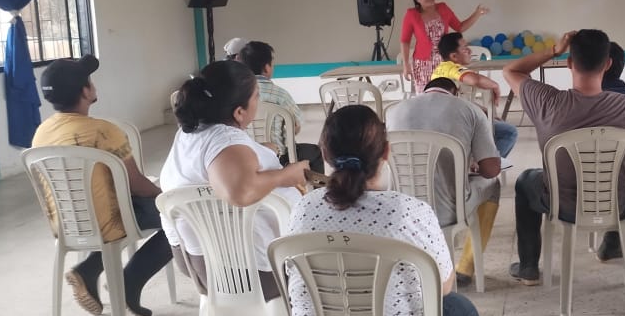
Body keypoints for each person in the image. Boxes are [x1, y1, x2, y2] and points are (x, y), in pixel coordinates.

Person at [502, 29, 625, 285]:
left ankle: (528, 267)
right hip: (617, 204)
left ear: (569, 63)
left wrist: (554, 50)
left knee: (526, 180)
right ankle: (613, 244)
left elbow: (511, 71)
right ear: (608, 64)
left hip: (563, 206)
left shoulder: (546, 101)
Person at [285, 105, 479, 316]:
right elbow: (443, 285)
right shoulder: (410, 212)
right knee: (459, 306)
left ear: (324, 153)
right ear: (386, 151)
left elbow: (292, 274)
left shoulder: (303, 208)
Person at [32, 55, 171, 316]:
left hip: (66, 223)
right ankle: (129, 281)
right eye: (90, 81)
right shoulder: (104, 131)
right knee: (180, 218)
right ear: (86, 92)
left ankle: (89, 269)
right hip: (108, 223)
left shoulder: (41, 133)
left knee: (139, 206)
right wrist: (166, 196)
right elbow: (137, 185)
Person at [159, 60, 308, 303]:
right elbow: (240, 192)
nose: (258, 101)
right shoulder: (226, 142)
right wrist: (286, 175)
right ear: (239, 112)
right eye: (256, 96)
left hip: (198, 263)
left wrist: (258, 150)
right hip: (250, 272)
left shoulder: (191, 131)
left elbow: (221, 163)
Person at [386, 77, 502, 288]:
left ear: (424, 90)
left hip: (402, 207)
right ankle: (465, 268)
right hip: (448, 209)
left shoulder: (393, 110)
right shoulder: (470, 110)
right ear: (455, 92)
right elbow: (491, 169)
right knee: (494, 186)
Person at [236, 40, 324, 172]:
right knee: (315, 152)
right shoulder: (281, 94)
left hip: (245, 157)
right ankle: (315, 186)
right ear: (267, 68)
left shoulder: (236, 95)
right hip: (279, 157)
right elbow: (296, 126)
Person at [431, 32, 518, 158]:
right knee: (509, 132)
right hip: (454, 124)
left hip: (441, 122)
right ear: (454, 56)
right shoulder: (451, 68)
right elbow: (474, 80)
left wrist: (485, 111)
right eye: (465, 48)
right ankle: (487, 164)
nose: (470, 51)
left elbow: (458, 101)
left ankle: (480, 160)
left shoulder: (439, 69)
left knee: (492, 124)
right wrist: (495, 86)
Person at [400, 0, 489, 94]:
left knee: (445, 92)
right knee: (425, 94)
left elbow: (460, 27)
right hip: (423, 63)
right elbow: (405, 41)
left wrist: (477, 13)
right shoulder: (411, 14)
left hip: (444, 61)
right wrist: (406, 64)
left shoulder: (443, 8)